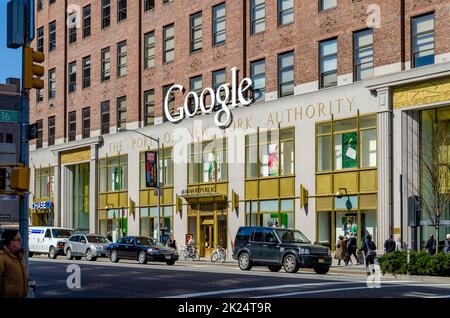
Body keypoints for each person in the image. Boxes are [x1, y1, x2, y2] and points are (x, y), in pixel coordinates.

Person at [0, 229, 28, 298]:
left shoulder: (20, 255)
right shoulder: (2, 257)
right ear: (10, 241)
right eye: (18, 240)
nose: (21, 241)